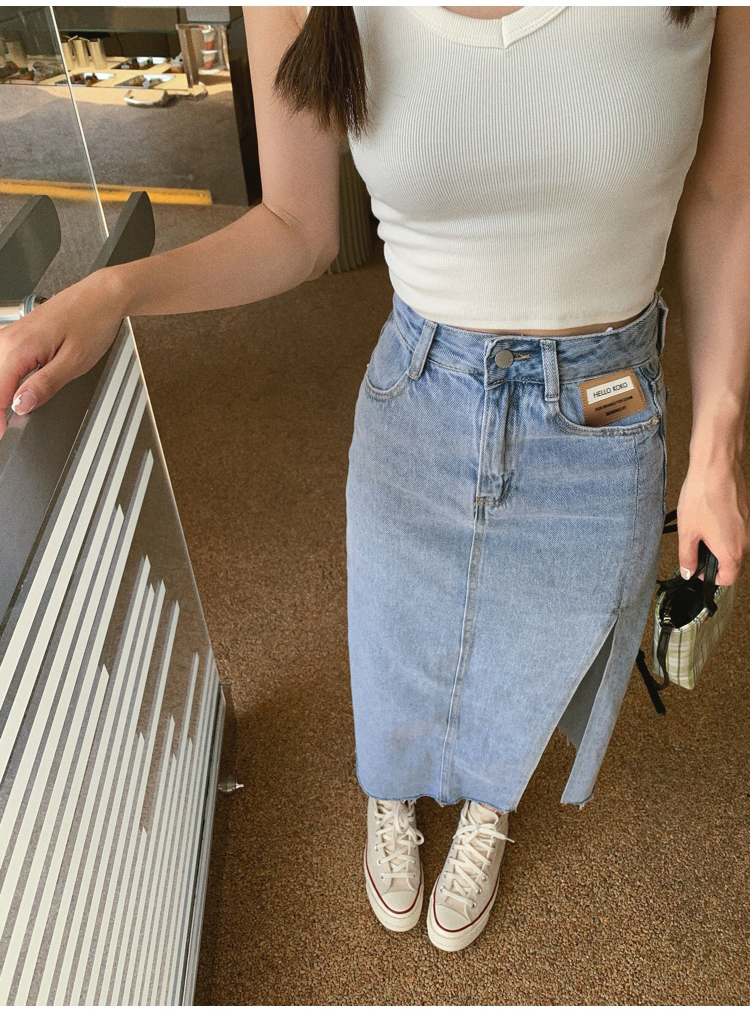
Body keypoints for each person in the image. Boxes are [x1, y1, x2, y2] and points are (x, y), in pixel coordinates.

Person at [1, 6, 749, 954]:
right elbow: (295, 228)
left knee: (537, 650)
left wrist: (718, 441)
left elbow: (726, 194)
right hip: (424, 389)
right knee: (397, 635)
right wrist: (114, 289)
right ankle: (390, 790)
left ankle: (487, 799)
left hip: (606, 404)